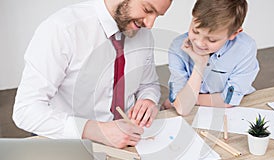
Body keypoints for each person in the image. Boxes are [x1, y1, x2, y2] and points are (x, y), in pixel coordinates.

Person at [13, 0, 172, 148]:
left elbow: (148, 84)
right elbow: (26, 111)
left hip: (129, 142)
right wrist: (97, 131)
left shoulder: (144, 35)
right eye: (147, 10)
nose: (150, 24)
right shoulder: (62, 29)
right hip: (69, 142)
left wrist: (148, 98)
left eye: (157, 16)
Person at [162, 0, 259, 116]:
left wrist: (189, 99)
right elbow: (183, 109)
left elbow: (229, 100)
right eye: (195, 31)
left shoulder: (245, 48)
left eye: (212, 40)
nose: (199, 43)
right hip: (195, 111)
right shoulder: (178, 47)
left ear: (234, 33)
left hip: (234, 110)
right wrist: (200, 64)